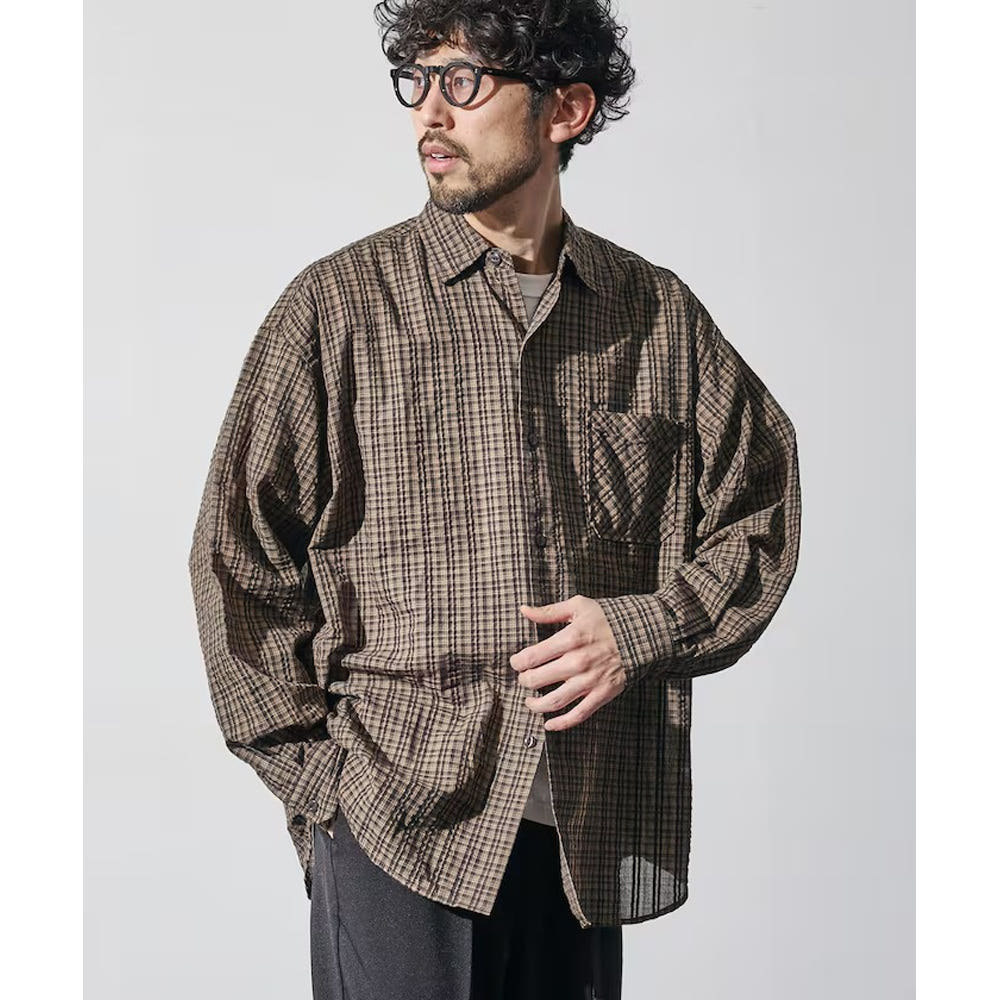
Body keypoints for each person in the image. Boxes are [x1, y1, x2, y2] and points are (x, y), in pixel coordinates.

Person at [187, 1, 802, 998]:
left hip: (583, 837)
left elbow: (758, 513)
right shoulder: (337, 310)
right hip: (395, 827)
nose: (430, 112)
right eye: (417, 81)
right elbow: (237, 559)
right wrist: (320, 792)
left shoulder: (656, 318)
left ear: (564, 108)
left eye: (464, 81)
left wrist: (640, 629)